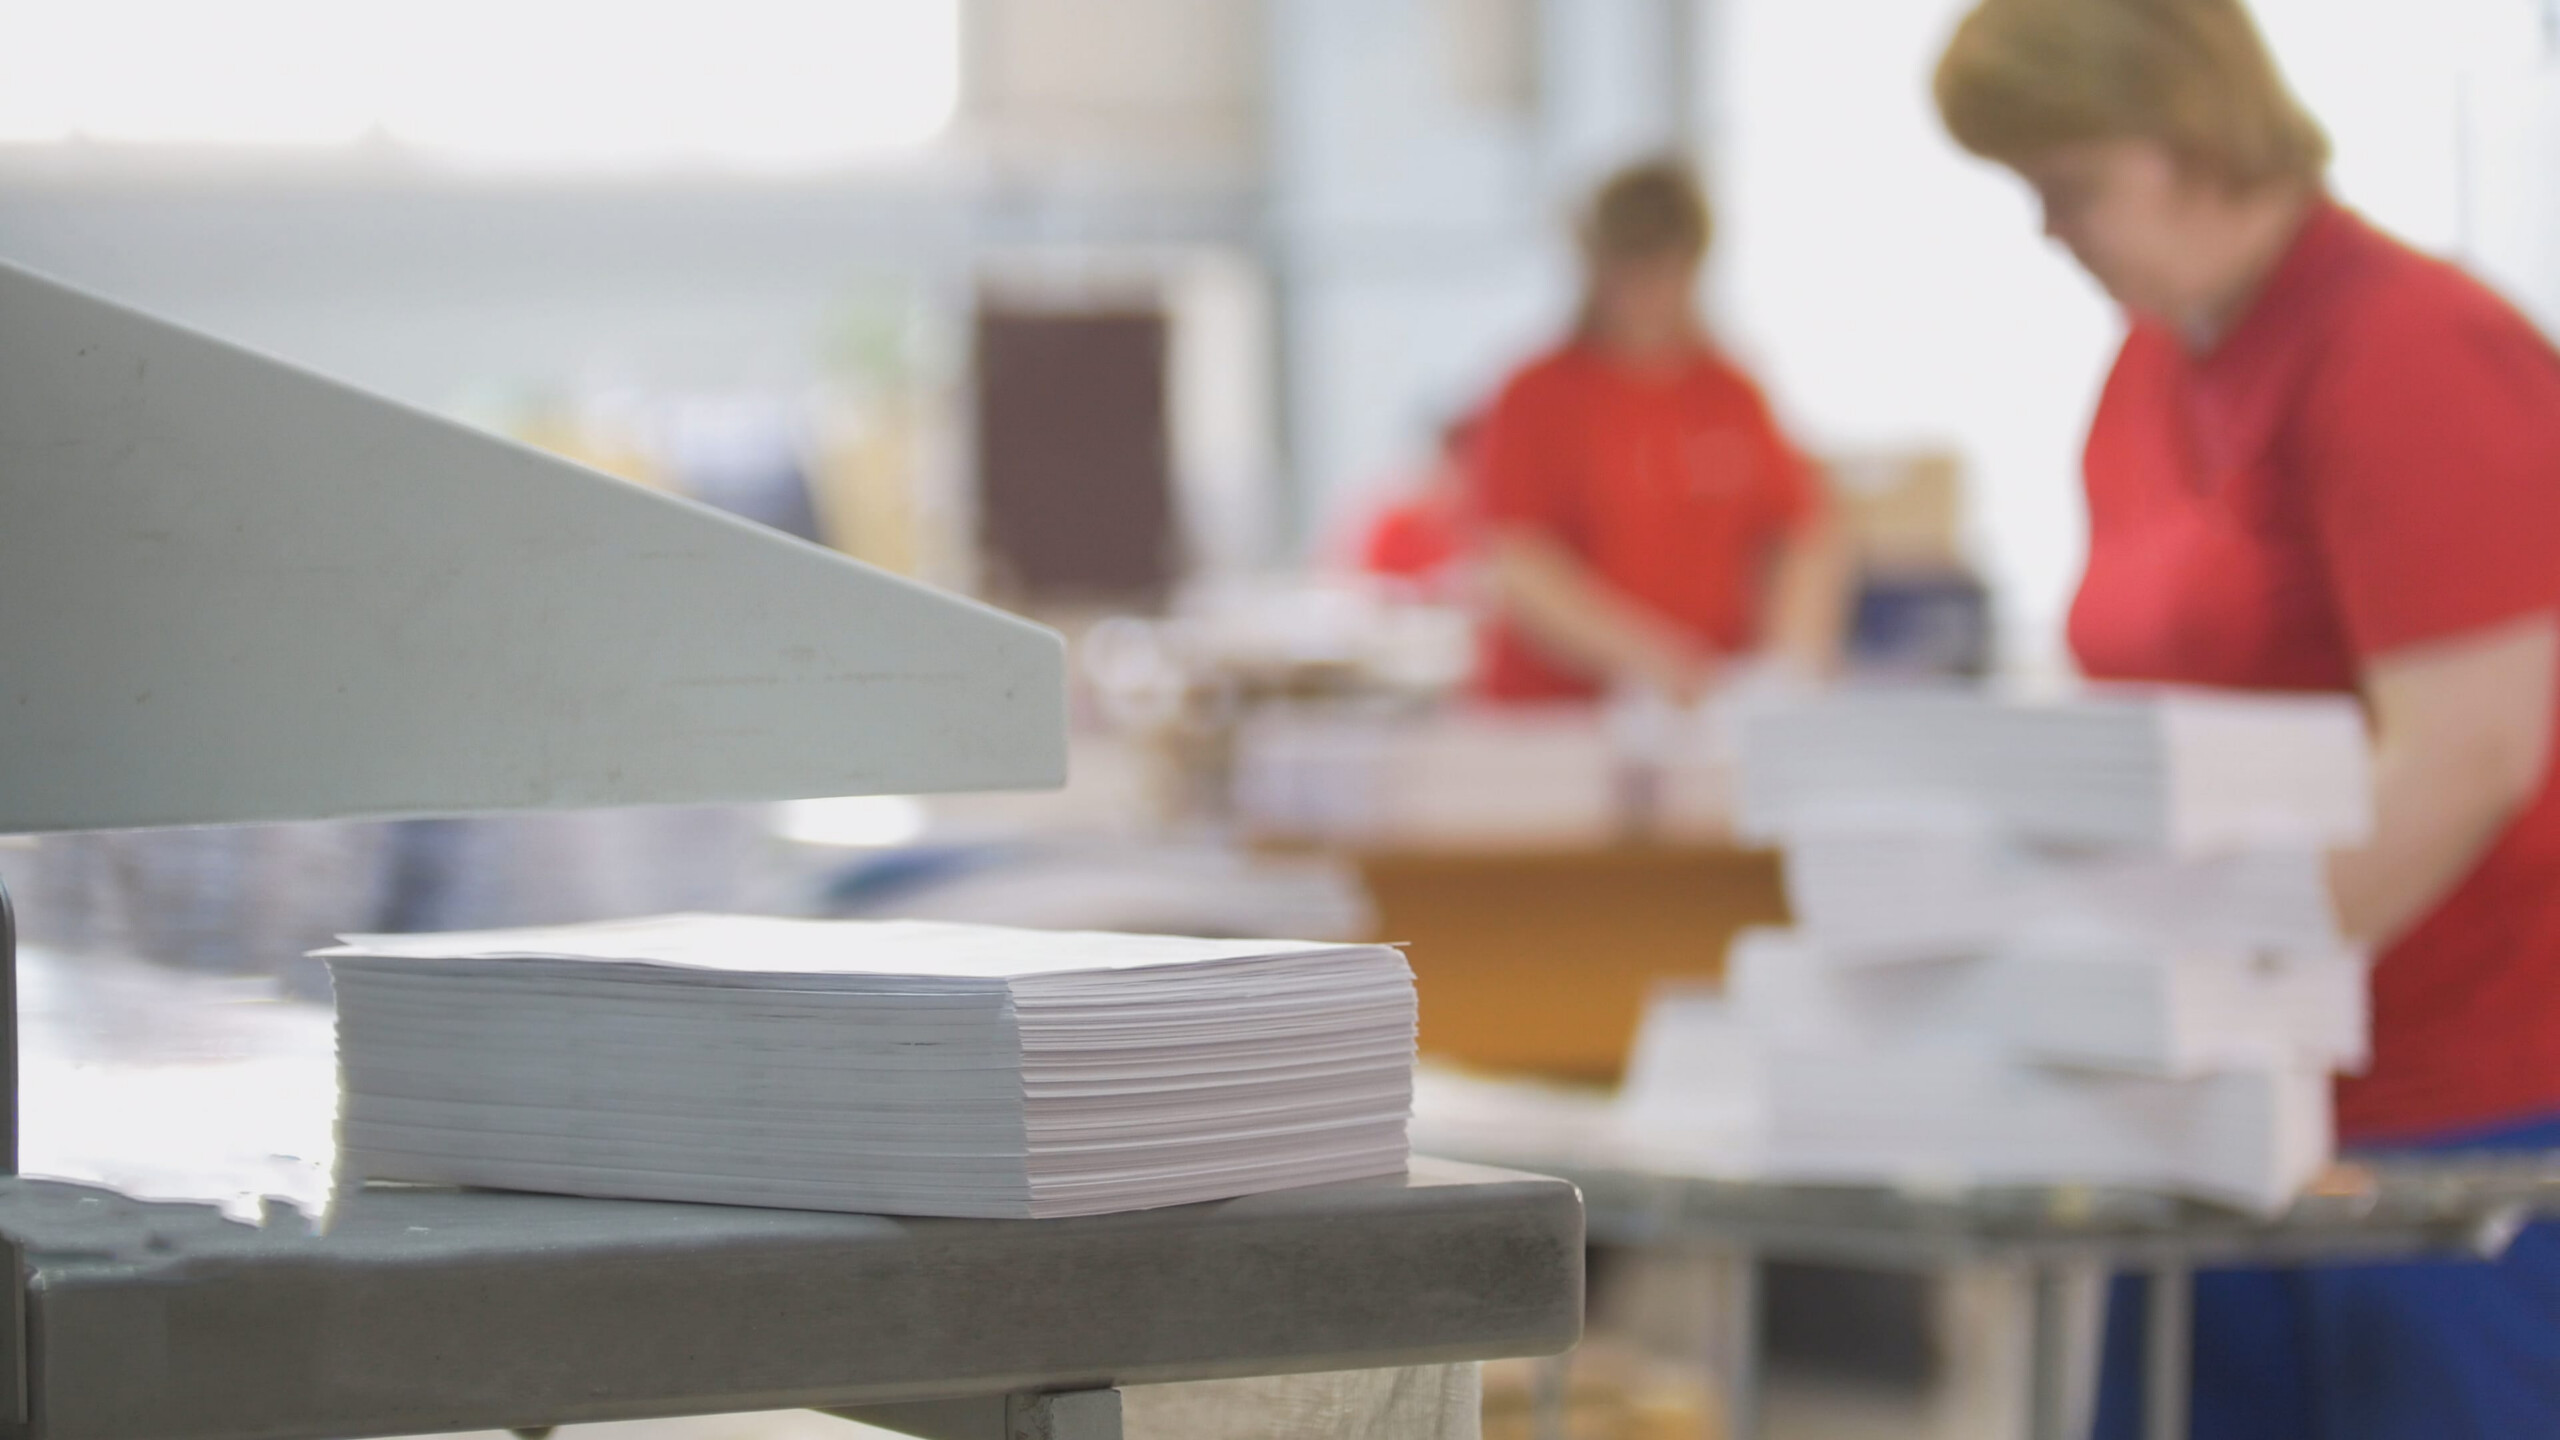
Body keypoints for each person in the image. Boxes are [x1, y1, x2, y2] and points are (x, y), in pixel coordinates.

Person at [1935, 2, 2560, 1435]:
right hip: (2220, 1103)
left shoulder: (2417, 352)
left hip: (2444, 1107)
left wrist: (2207, 988)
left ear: (2189, 135)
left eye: (2069, 187)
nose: (2050, 234)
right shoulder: (2155, 371)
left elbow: (2468, 762)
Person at [1471, 158, 1850, 704]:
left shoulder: (1730, 392)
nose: (1646, 293)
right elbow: (1519, 564)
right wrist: (1649, 660)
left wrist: (1793, 660)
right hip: (1562, 711)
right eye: (1628, 271)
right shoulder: (1536, 396)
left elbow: (1804, 535)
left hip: (1705, 709)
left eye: (1663, 271)